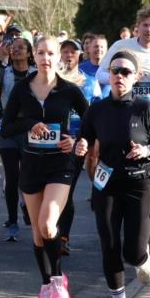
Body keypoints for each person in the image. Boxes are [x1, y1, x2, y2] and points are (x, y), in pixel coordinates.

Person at [75, 50, 150, 298]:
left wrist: (148, 149)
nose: (119, 76)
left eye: (126, 72)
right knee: (108, 244)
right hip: (107, 183)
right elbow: (84, 139)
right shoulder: (97, 109)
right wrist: (81, 146)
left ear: (136, 77)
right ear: (108, 75)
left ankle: (142, 258)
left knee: (132, 252)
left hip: (140, 184)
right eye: (115, 71)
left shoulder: (145, 109)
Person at [0, 36, 89, 298]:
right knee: (39, 234)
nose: (45, 58)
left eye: (51, 53)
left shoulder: (68, 90)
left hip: (60, 165)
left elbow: (90, 120)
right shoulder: (21, 89)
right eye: (40, 53)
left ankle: (59, 279)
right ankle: (46, 284)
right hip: (31, 164)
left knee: (49, 224)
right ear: (33, 56)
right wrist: (30, 123)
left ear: (58, 57)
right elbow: (6, 127)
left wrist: (76, 140)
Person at [55, 38, 100, 254]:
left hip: (77, 143)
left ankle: (63, 236)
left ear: (80, 55)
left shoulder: (90, 82)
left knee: (66, 190)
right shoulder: (51, 80)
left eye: (73, 51)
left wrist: (91, 141)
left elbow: (97, 115)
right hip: (50, 142)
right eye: (65, 51)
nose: (69, 55)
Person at [0, 36, 36, 241]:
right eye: (14, 48)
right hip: (8, 129)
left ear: (29, 53)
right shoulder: (5, 72)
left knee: (28, 174)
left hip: (30, 129)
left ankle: (28, 206)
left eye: (22, 48)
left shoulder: (36, 74)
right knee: (11, 177)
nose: (17, 50)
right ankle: (12, 221)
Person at [98, 5, 150, 103]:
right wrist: (125, 76)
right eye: (145, 25)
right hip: (124, 107)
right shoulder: (120, 46)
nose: (148, 29)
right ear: (138, 26)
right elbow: (99, 75)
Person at [79, 33, 110, 98]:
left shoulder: (113, 69)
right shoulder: (80, 69)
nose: (99, 49)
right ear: (89, 49)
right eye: (96, 46)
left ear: (107, 50)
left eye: (102, 47)